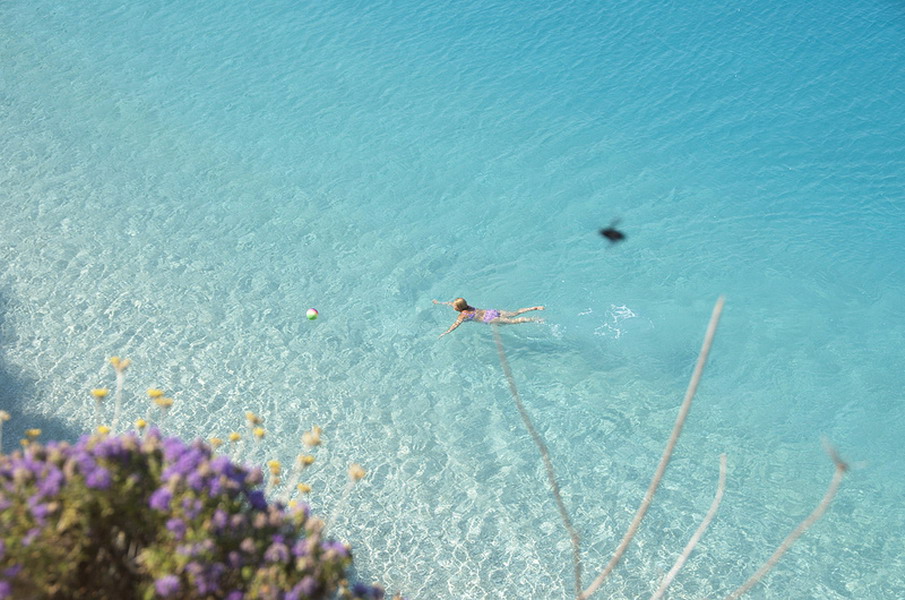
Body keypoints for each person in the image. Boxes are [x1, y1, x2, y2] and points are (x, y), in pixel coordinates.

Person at [433, 297, 544, 338]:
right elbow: (450, 303)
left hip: (490, 319)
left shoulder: (462, 315)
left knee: (514, 321)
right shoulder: (468, 306)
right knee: (514, 313)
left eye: (454, 306)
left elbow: (455, 325)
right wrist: (439, 303)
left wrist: (446, 332)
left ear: (458, 308)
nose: (452, 306)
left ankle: (534, 319)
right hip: (492, 312)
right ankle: (534, 308)